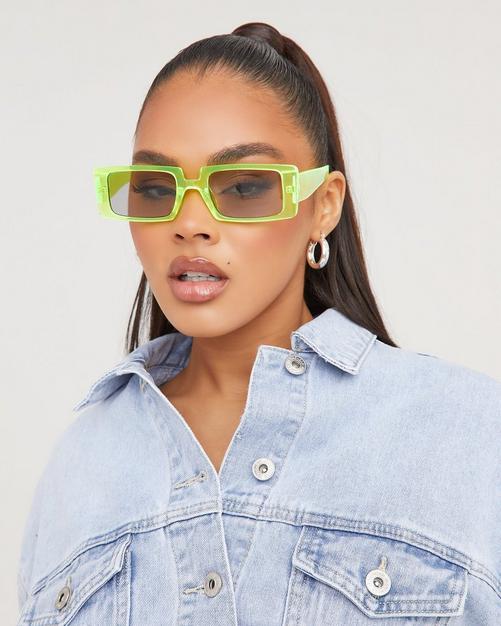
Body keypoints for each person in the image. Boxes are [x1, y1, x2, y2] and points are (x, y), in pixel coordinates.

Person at [16, 22, 500, 626]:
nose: (189, 223)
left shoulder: (468, 434)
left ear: (323, 206)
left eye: (244, 188)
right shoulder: (79, 467)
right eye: (156, 189)